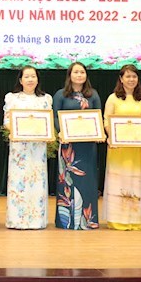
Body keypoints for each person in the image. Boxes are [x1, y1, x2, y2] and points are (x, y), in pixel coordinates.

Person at [52, 62, 101, 230]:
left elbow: (98, 116)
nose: (79, 75)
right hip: (68, 146)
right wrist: (61, 132)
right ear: (69, 75)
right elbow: (55, 116)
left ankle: (88, 221)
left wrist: (99, 133)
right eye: (76, 72)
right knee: (67, 182)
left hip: (88, 146)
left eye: (82, 72)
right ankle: (66, 221)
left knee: (88, 181)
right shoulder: (60, 94)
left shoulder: (93, 94)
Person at [3, 66, 53, 230]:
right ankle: (16, 220)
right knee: (18, 181)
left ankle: (37, 220)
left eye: (33, 76)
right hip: (19, 148)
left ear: (37, 79)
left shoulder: (45, 99)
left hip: (38, 147)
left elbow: (48, 122)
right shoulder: (12, 98)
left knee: (37, 181)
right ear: (20, 80)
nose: (30, 79)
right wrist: (20, 129)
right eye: (27, 76)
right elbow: (7, 122)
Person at [102, 65, 141, 230]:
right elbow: (106, 119)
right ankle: (117, 219)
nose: (131, 80)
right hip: (118, 147)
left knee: (133, 180)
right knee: (118, 180)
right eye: (128, 76)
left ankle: (133, 219)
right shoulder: (113, 98)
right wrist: (112, 136)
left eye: (134, 76)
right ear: (121, 79)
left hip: (135, 148)